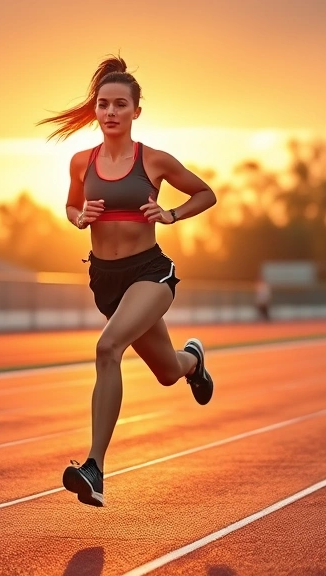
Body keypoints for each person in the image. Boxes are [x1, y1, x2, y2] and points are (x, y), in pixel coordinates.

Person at [37, 55, 218, 507]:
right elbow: (71, 207)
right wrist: (81, 218)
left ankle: (94, 467)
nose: (111, 112)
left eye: (121, 104)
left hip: (150, 273)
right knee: (166, 372)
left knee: (107, 347)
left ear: (136, 111)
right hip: (106, 279)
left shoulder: (153, 160)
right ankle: (192, 363)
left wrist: (171, 213)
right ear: (96, 110)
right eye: (104, 104)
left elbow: (206, 193)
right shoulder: (81, 162)